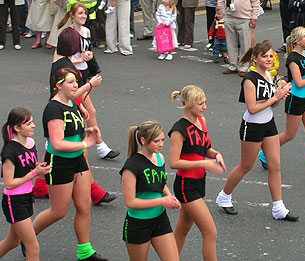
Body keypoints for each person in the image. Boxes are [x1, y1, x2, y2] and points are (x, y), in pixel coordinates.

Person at [216, 42, 298, 221]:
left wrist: (279, 96)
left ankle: (278, 208)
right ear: (255, 58)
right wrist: (274, 97)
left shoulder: (269, 75)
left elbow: (271, 104)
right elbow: (252, 108)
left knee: (275, 166)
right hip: (252, 126)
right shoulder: (249, 79)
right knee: (246, 165)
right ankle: (224, 196)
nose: (269, 59)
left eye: (270, 56)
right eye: (265, 56)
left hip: (269, 124)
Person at [32, 68, 107, 261]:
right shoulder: (54, 108)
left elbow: (73, 132)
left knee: (84, 207)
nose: (75, 85)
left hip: (77, 161)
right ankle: (28, 238)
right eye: (71, 82)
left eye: (76, 81)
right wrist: (85, 143)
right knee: (58, 212)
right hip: (59, 163)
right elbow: (57, 143)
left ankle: (85, 251)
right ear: (59, 86)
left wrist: (87, 131)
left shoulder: (71, 103)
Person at [258, 27, 305, 178]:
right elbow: (298, 82)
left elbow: (292, 77)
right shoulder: (293, 58)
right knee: (290, 134)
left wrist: (286, 81)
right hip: (296, 100)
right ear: (298, 41)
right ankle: (265, 151)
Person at [168, 85, 226, 260]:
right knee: (210, 232)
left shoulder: (202, 121)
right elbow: (173, 162)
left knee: (182, 230)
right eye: (200, 104)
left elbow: (204, 148)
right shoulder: (179, 130)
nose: (204, 107)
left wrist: (216, 154)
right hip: (186, 186)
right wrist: (203, 163)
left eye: (204, 102)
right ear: (186, 104)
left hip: (199, 182)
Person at [120, 121, 181, 261]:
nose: (161, 144)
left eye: (162, 140)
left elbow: (160, 184)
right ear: (143, 140)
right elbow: (130, 202)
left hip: (160, 220)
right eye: (156, 141)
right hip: (138, 224)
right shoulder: (131, 166)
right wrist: (161, 201)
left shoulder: (160, 158)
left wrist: (170, 197)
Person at [0, 108, 52, 260]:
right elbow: (9, 183)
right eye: (28, 123)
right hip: (14, 201)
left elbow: (29, 165)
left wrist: (39, 168)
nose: (33, 126)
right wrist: (34, 174)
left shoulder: (31, 143)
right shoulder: (10, 152)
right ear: (17, 128)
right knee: (33, 247)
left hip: (26, 197)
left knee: (12, 242)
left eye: (32, 122)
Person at [218, 0, 260, 77]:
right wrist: (224, 12)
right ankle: (232, 66)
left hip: (244, 18)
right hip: (229, 17)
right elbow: (221, 1)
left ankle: (243, 68)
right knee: (230, 43)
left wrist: (254, 17)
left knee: (245, 44)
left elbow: (255, 2)